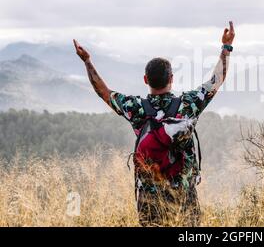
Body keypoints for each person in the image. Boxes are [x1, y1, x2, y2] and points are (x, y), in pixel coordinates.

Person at [73, 21, 235, 226]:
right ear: (172, 79)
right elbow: (216, 81)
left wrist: (87, 61)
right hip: (184, 199)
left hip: (149, 201)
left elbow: (104, 92)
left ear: (145, 79)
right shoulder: (187, 105)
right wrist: (226, 47)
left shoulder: (136, 108)